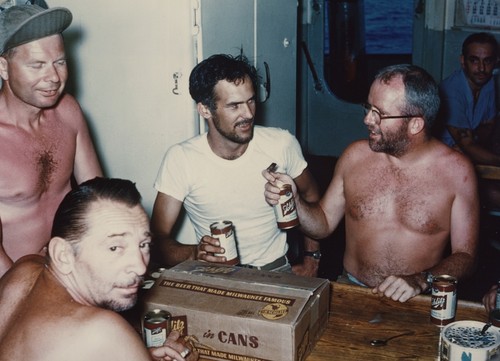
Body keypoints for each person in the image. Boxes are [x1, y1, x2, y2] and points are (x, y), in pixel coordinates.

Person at [264, 64, 479, 302]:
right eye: (368, 107)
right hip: (351, 287)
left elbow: (466, 256)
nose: (367, 119)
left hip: (420, 296)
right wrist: (294, 201)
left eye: (380, 113)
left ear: (416, 124)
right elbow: (323, 224)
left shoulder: (457, 173)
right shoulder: (354, 157)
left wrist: (422, 279)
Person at [151, 54, 321, 276]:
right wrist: (193, 254)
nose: (249, 114)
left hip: (277, 271)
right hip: (216, 276)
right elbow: (156, 239)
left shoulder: (281, 144)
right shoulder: (181, 159)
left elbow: (312, 198)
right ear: (205, 110)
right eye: (234, 106)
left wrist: (311, 258)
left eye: (251, 100)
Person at [0, 177, 198, 361]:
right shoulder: (105, 332)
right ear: (62, 254)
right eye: (115, 247)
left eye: (143, 244)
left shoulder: (23, 269)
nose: (139, 267)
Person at [0, 4, 102, 277]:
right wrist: (29, 294)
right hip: (10, 281)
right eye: (37, 65)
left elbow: (97, 197)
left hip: (67, 270)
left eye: (60, 62)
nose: (54, 78)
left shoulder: (68, 111)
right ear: (3, 67)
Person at [437, 32, 500, 208]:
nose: (481, 68)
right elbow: (468, 145)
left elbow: (489, 123)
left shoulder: (487, 82)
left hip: (466, 155)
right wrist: (472, 145)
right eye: (474, 60)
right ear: (463, 61)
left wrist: (474, 141)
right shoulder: (452, 91)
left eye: (487, 61)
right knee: (494, 195)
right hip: (441, 165)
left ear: (496, 62)